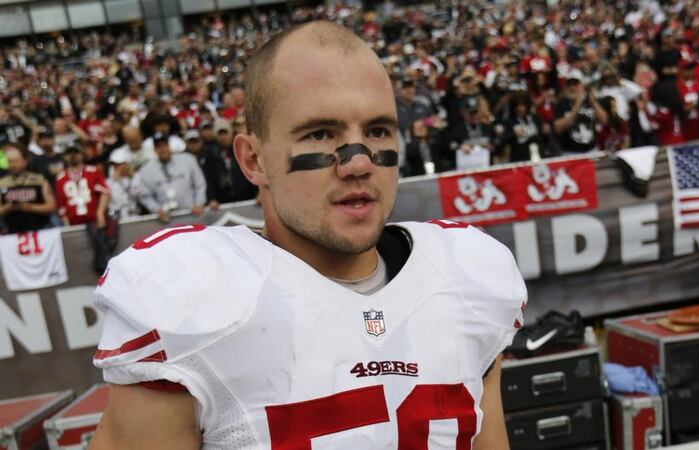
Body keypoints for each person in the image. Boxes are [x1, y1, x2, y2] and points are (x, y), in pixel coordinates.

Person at [90, 21, 526, 450]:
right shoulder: (191, 297)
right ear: (254, 160)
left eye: (377, 131)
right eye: (320, 133)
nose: (358, 163)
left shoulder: (466, 278)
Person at [54, 145, 110, 275]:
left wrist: (100, 212)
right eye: (69, 153)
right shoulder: (61, 178)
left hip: (94, 220)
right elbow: (61, 204)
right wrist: (67, 225)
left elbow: (104, 192)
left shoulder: (92, 171)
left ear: (81, 154)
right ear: (64, 157)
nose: (72, 156)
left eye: (75, 152)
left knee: (102, 250)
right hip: (75, 223)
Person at [132, 132, 206, 222]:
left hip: (192, 214)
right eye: (158, 147)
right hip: (166, 220)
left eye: (164, 145)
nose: (162, 149)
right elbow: (144, 196)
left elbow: (200, 184)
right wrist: (156, 209)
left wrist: (199, 203)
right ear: (154, 150)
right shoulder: (146, 170)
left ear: (169, 146)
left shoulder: (187, 160)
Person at [0, 144, 56, 233]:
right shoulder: (2, 183)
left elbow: (52, 206)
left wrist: (30, 207)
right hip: (13, 234)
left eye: (16, 161)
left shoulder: (39, 180)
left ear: (24, 161)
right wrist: (9, 207)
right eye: (10, 162)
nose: (13, 165)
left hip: (41, 231)